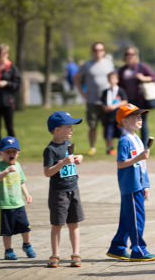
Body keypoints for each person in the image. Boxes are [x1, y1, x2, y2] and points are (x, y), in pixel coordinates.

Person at [106, 103, 155, 261]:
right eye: (135, 117)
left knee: (128, 218)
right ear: (124, 122)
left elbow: (142, 165)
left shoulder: (137, 139)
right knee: (137, 218)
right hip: (130, 185)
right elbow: (121, 163)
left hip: (138, 184)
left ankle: (117, 247)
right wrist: (138, 158)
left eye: (140, 116)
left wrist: (146, 184)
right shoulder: (125, 141)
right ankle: (138, 250)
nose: (140, 119)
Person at [43, 111, 85, 268]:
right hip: (58, 193)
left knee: (74, 223)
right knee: (57, 224)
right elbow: (47, 172)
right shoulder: (50, 149)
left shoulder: (68, 145)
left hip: (73, 189)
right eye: (68, 127)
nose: (71, 130)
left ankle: (76, 253)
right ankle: (55, 254)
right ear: (56, 130)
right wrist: (61, 163)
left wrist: (78, 158)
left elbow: (72, 162)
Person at [0, 136, 36, 260]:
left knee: (25, 227)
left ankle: (27, 245)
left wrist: (27, 194)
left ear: (18, 153)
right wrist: (6, 171)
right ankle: (8, 250)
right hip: (4, 205)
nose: (11, 154)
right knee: (7, 231)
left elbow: (22, 181)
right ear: (0, 153)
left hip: (18, 204)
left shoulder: (18, 165)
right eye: (8, 152)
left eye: (14, 152)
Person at [74, 42, 115, 156]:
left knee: (108, 125)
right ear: (92, 52)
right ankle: (92, 148)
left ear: (104, 52)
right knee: (92, 126)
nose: (98, 52)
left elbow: (114, 78)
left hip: (107, 101)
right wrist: (82, 93)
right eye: (95, 50)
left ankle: (110, 148)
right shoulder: (86, 65)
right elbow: (76, 78)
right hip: (92, 101)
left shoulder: (109, 64)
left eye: (100, 50)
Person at [0, 43, 21, 162]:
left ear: (7, 54)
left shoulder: (12, 68)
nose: (3, 56)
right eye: (0, 54)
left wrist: (7, 83)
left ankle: (14, 149)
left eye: (5, 54)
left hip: (8, 102)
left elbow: (17, 85)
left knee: (9, 126)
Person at [118, 46, 155, 146]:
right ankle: (129, 144)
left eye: (132, 54)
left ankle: (143, 146)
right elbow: (119, 86)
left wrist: (143, 78)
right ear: (124, 56)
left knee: (142, 123)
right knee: (127, 123)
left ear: (136, 55)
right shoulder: (122, 70)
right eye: (127, 54)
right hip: (128, 102)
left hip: (141, 100)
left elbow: (153, 77)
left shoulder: (141, 66)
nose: (130, 56)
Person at [101, 71, 128, 155]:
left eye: (113, 78)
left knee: (121, 133)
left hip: (118, 116)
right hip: (108, 116)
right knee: (109, 133)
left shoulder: (120, 90)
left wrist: (115, 106)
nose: (111, 80)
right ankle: (110, 149)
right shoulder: (106, 91)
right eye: (109, 78)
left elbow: (124, 101)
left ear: (117, 80)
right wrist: (105, 107)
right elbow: (102, 102)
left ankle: (123, 148)